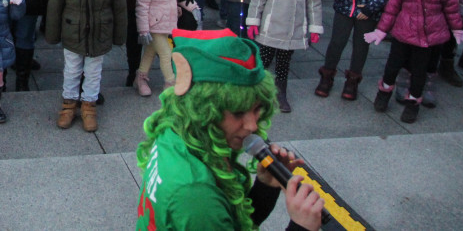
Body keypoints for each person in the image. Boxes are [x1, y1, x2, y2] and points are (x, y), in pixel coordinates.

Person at [136, 28, 325, 231]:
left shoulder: (175, 133)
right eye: (237, 113)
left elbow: (231, 223)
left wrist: (266, 186)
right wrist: (301, 227)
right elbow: (208, 213)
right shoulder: (197, 197)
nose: (252, 125)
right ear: (202, 110)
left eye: (257, 109)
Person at [46, 0, 126, 132]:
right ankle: (68, 104)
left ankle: (89, 106)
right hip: (73, 31)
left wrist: (119, 35)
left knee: (93, 72)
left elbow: (119, 4)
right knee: (72, 70)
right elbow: (56, 1)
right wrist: (52, 33)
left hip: (100, 32)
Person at [245, 0, 323, 113]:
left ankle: (280, 93)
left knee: (283, 63)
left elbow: (314, 3)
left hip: (292, 31)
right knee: (264, 60)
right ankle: (256, 92)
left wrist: (314, 27)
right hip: (271, 29)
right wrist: (253, 22)